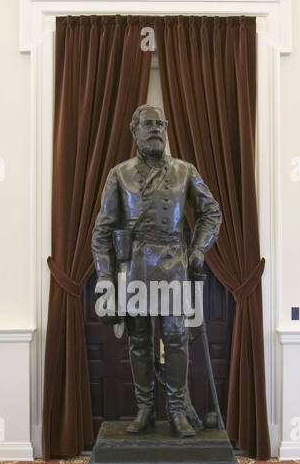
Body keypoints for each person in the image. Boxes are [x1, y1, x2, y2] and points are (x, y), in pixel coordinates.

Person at [91, 105, 222, 437]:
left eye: (159, 124)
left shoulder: (184, 171)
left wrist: (198, 250)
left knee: (177, 341)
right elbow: (102, 231)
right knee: (138, 343)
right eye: (147, 125)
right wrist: (105, 277)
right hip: (134, 270)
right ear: (134, 131)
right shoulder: (118, 174)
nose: (155, 130)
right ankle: (146, 409)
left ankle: (177, 410)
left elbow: (211, 212)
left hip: (174, 268)